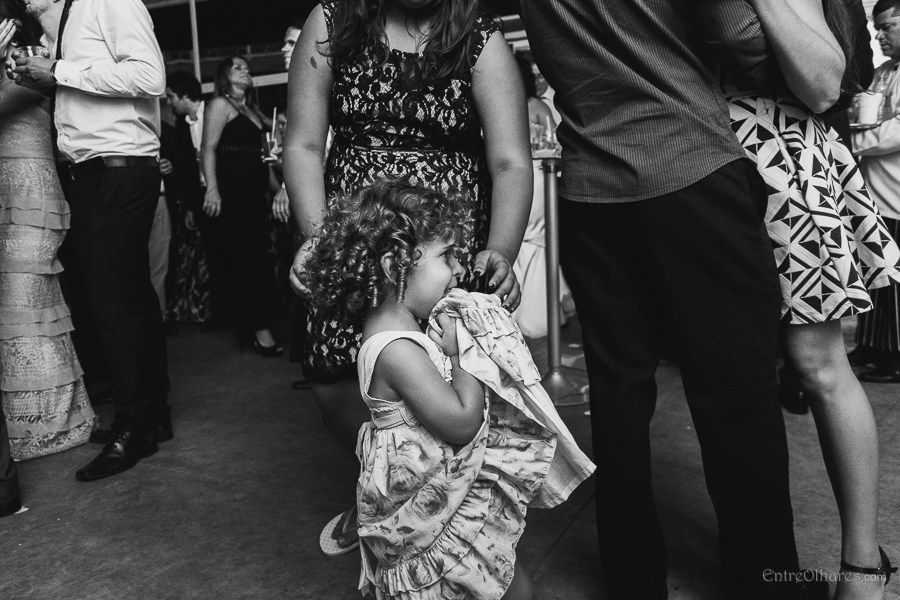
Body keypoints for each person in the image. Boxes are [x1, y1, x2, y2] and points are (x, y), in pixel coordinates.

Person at [519, 1, 820, 598]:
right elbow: (739, 35)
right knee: (735, 390)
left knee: (618, 396)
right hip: (688, 165)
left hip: (589, 187)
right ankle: (766, 584)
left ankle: (633, 580)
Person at [283, 0, 531, 556]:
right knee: (334, 377)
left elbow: (511, 161)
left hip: (439, 247)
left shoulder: (479, 37)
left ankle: (444, 508)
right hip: (356, 240)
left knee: (443, 370)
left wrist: (500, 251)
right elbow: (301, 143)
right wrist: (320, 239)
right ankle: (385, 491)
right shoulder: (332, 21)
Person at [301, 178, 593, 600]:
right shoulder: (397, 349)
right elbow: (461, 422)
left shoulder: (403, 331)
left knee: (501, 583)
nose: (459, 269)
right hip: (431, 513)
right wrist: (462, 355)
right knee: (501, 587)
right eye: (446, 255)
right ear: (393, 265)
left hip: (439, 494)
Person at [698, 1, 900, 598]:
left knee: (818, 363)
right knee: (729, 371)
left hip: (780, 155)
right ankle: (763, 565)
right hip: (699, 159)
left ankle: (864, 564)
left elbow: (820, 84)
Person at [13, 0, 171, 481]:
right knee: (131, 299)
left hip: (116, 170)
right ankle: (150, 417)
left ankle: (133, 428)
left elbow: (149, 76)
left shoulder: (110, 0)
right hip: (99, 174)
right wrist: (48, 75)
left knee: (114, 303)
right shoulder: (69, 18)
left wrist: (58, 69)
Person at [1, 3, 96, 461]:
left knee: (28, 300)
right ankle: (18, 426)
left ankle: (53, 423)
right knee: (11, 309)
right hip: (4, 197)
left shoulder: (33, 57)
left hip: (35, 196)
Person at [200, 56, 282, 356]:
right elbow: (207, 149)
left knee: (259, 258)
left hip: (256, 194)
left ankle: (261, 323)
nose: (246, 70)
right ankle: (259, 329)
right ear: (224, 76)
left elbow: (264, 157)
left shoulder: (252, 108)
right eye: (238, 67)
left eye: (247, 67)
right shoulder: (220, 104)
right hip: (233, 194)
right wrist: (212, 190)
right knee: (248, 261)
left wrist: (278, 192)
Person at [852, 0, 900, 385]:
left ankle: (896, 358)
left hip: (897, 194)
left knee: (896, 283)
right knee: (875, 273)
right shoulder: (883, 71)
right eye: (877, 28)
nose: (879, 35)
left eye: (887, 27)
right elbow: (863, 113)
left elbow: (894, 132)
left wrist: (853, 138)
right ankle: (871, 345)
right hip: (876, 191)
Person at [510, 52, 572, 339]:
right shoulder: (536, 106)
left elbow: (549, 145)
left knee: (528, 240)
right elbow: (554, 143)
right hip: (537, 178)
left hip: (530, 178)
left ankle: (529, 317)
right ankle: (539, 315)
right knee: (534, 240)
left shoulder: (516, 108)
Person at [164, 71, 214, 326]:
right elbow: (185, 172)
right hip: (201, 199)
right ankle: (214, 311)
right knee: (212, 255)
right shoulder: (181, 128)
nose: (170, 102)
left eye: (172, 96)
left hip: (225, 193)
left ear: (184, 94)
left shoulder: (215, 111)